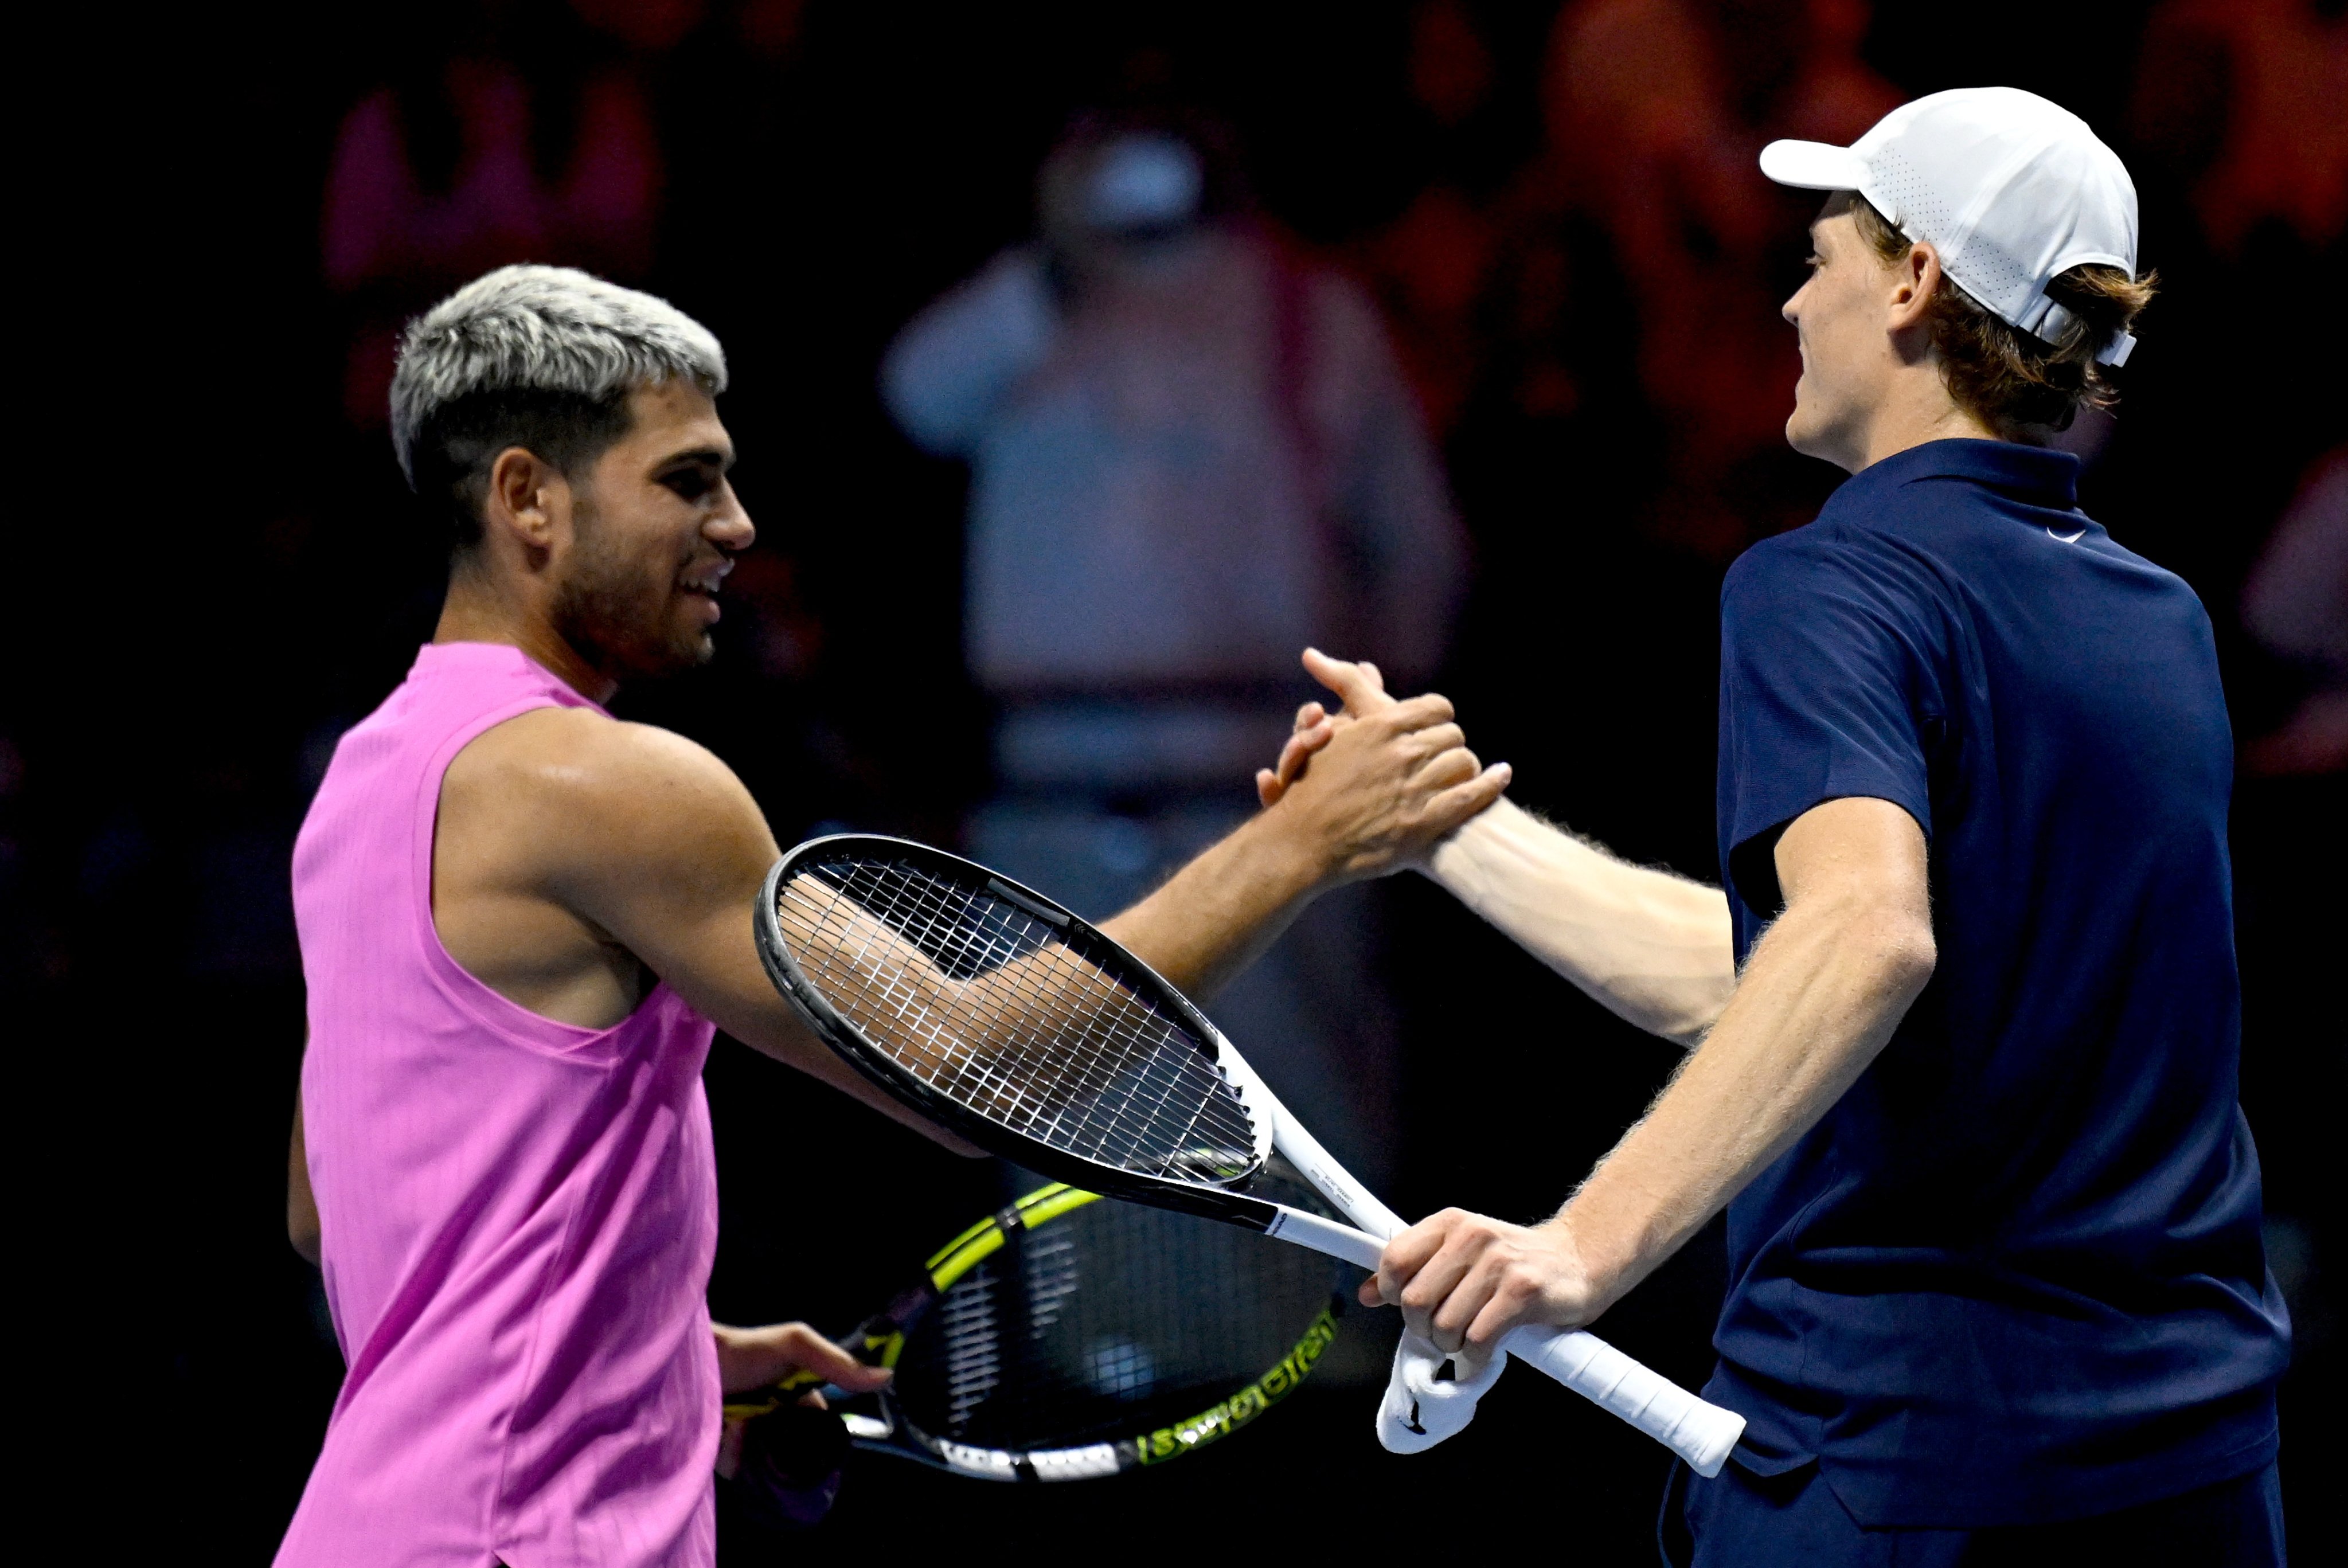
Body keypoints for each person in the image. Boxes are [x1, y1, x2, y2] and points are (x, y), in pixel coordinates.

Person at [278, 264, 1508, 1568]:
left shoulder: (372, 776)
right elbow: (971, 1069)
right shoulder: (607, 787)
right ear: (529, 498)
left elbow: (332, 1208)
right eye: (686, 481)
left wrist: (655, 1361)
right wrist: (1303, 843)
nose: (739, 524)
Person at [1268, 88, 2289, 1562]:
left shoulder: (1826, 583)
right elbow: (1782, 977)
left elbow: (1861, 936)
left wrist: (1577, 1248)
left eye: (1819, 257)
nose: (1790, 299)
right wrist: (1441, 832)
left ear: (1914, 285)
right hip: (2194, 1477)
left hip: (1900, 1478)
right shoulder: (2158, 616)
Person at [881, 116, 1468, 1187]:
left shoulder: (1307, 313)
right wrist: (1059, 263)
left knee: (1298, 1122)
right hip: (1050, 800)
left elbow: (1419, 558)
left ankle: (1337, 1358)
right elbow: (916, 398)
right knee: (1064, 1123)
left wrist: (1358, 751)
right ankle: (1094, 1358)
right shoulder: (1028, 305)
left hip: (1261, 795)